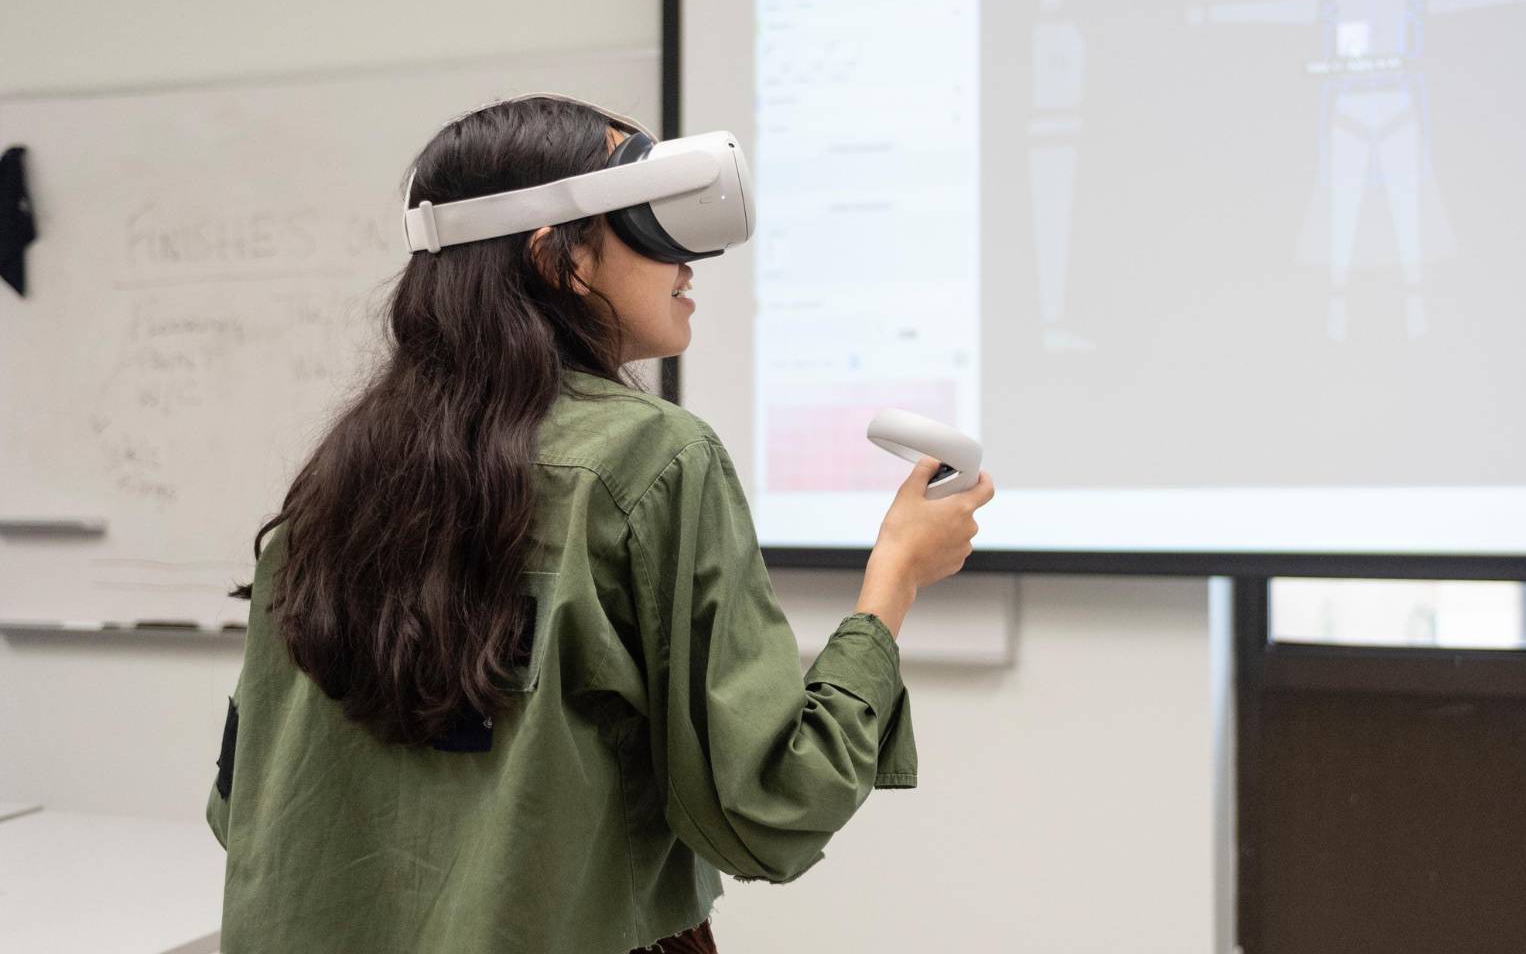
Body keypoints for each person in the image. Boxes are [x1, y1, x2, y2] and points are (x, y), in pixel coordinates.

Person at [205, 95, 996, 953]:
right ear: (558, 258)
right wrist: (894, 578)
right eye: (648, 220)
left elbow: (241, 806)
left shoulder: (334, 481)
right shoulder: (652, 460)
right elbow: (772, 804)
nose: (687, 261)